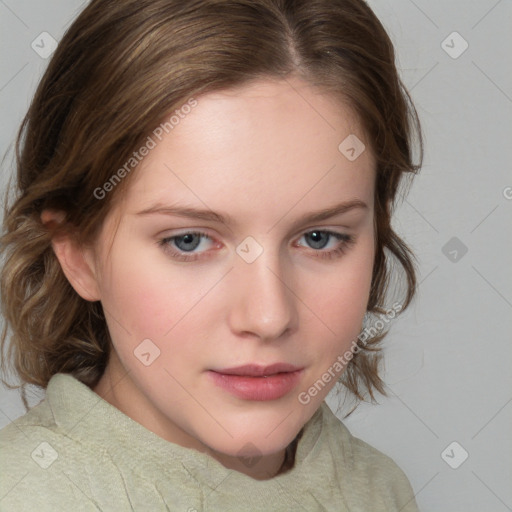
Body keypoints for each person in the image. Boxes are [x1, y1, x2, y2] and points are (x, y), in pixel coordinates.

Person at [0, 0, 423, 510]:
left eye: (319, 238)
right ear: (78, 253)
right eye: (189, 241)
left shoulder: (379, 491)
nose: (268, 317)